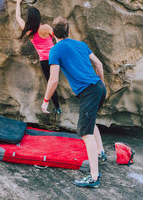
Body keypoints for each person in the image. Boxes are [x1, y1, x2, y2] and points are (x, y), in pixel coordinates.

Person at [41, 16, 107, 188]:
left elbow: (53, 80)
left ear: (53, 34)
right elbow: (99, 64)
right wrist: (101, 83)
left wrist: (46, 100)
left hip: (89, 91)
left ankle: (94, 177)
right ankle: (101, 153)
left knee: (85, 133)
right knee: (90, 122)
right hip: (99, 87)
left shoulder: (55, 50)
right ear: (69, 31)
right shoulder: (81, 45)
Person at [15, 0, 61, 114]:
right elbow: (57, 38)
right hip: (55, 57)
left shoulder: (28, 30)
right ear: (39, 17)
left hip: (44, 61)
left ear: (29, 19)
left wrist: (18, 2)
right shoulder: (46, 28)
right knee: (54, 81)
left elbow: (17, 17)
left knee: (50, 83)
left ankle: (57, 108)